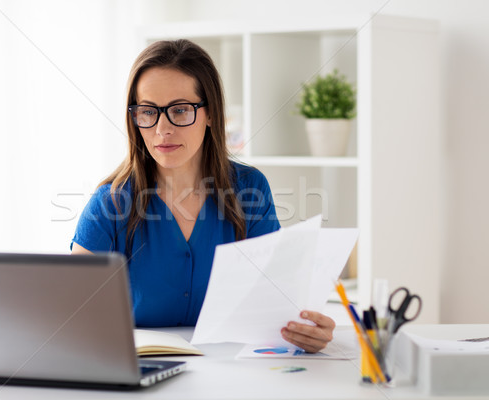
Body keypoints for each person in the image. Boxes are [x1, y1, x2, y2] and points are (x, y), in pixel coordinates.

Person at [71, 39, 335, 353]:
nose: (162, 129)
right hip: (141, 370)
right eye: (147, 112)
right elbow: (73, 319)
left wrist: (305, 331)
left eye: (180, 110)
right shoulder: (109, 203)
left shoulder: (249, 189)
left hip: (232, 375)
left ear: (210, 113)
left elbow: (276, 302)